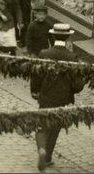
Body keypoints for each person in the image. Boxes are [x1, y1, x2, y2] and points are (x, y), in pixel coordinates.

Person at [30, 23, 85, 171]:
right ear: (68, 38)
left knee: (41, 125)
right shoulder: (72, 57)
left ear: (53, 36)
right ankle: (48, 157)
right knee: (55, 127)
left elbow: (36, 74)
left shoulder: (44, 53)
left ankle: (41, 150)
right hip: (62, 98)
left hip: (45, 96)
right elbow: (77, 85)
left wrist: (35, 91)